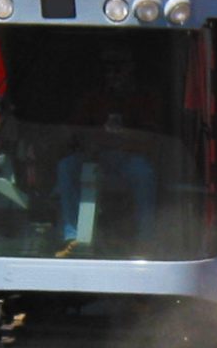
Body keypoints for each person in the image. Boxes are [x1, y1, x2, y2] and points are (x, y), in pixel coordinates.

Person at [55, 48, 160, 255]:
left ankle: (145, 240)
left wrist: (126, 138)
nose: (114, 75)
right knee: (66, 166)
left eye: (119, 69)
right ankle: (72, 236)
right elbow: (74, 130)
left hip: (129, 157)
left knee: (144, 173)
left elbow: (153, 137)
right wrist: (90, 142)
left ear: (130, 70)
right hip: (96, 157)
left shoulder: (144, 97)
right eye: (109, 70)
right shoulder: (94, 97)